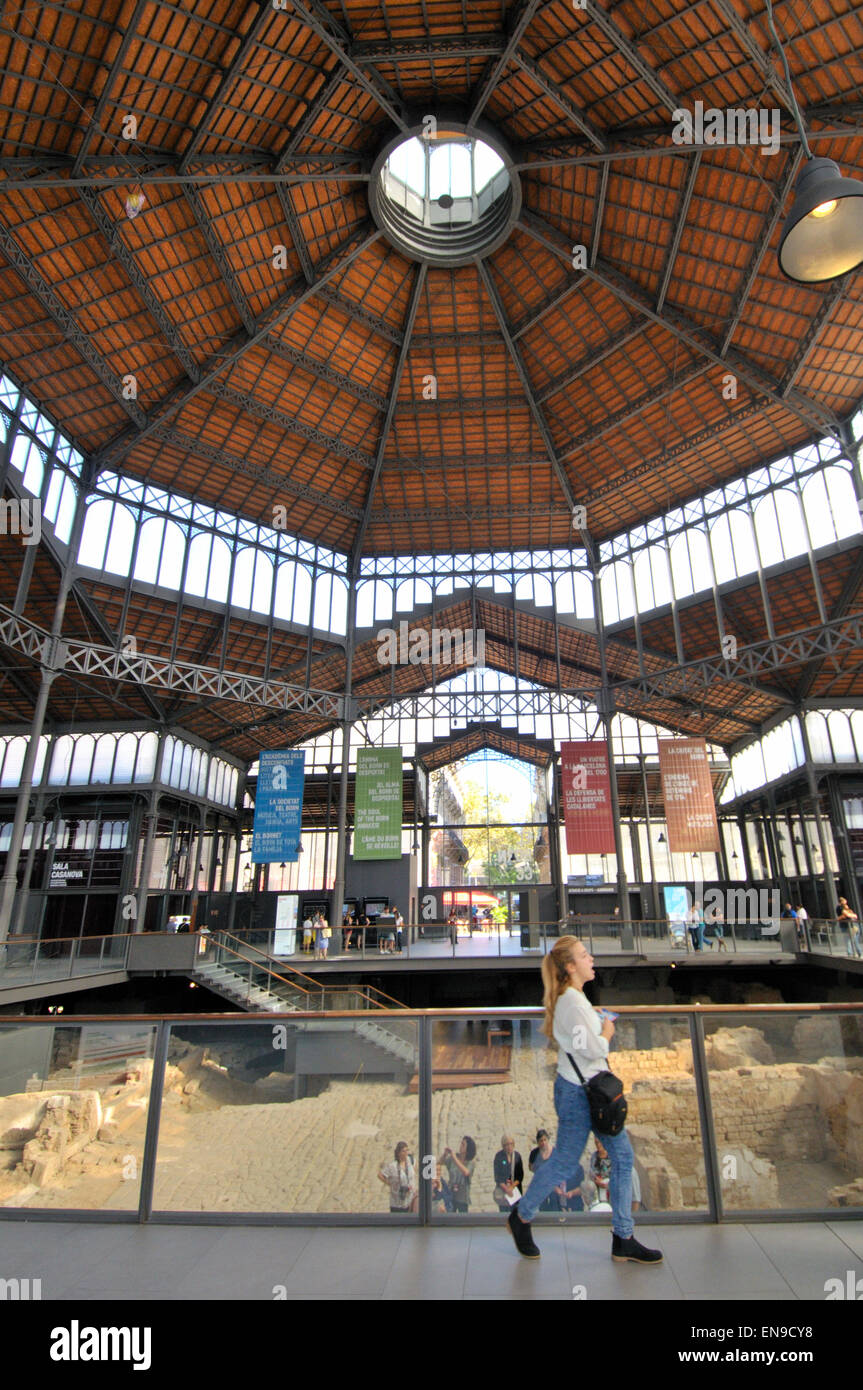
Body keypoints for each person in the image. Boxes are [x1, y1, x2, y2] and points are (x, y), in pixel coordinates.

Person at [506, 935, 662, 1265]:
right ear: (570, 966)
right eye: (584, 954)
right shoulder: (572, 1003)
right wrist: (606, 1030)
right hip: (581, 1094)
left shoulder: (574, 999)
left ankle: (623, 1237)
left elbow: (580, 1039)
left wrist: (595, 1021)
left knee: (621, 1158)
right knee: (565, 1161)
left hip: (588, 1090)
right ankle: (522, 1215)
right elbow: (591, 1049)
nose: (591, 959)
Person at [378, 1141, 417, 1213]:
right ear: (399, 1153)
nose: (406, 1153)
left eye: (407, 1150)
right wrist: (390, 1183)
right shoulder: (393, 1166)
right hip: (397, 1201)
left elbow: (414, 1171)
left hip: (410, 1199)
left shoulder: (411, 1161)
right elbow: (380, 1175)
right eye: (403, 1151)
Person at [440, 1136, 476, 1214]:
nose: (460, 1146)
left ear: (468, 1149)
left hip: (462, 1197)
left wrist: (454, 1157)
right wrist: (445, 1155)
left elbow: (466, 1172)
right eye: (461, 1143)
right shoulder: (453, 1158)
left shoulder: (470, 1163)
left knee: (463, 1220)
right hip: (451, 1194)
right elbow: (440, 1163)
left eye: (463, 1145)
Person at [528, 1129, 562, 1212]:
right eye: (541, 1141)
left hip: (553, 1185)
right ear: (538, 1142)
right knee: (543, 1207)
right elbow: (530, 1167)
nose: (543, 1143)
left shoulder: (554, 1152)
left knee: (555, 1206)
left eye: (544, 1140)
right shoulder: (534, 1153)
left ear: (548, 1140)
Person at [493, 1134, 524, 1212]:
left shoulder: (517, 1156)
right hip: (503, 1190)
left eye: (511, 1144)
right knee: (504, 1214)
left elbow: (520, 1175)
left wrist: (512, 1187)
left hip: (515, 1190)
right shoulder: (499, 1157)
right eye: (506, 1144)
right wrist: (506, 1189)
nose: (509, 1146)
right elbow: (497, 1176)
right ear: (503, 1146)